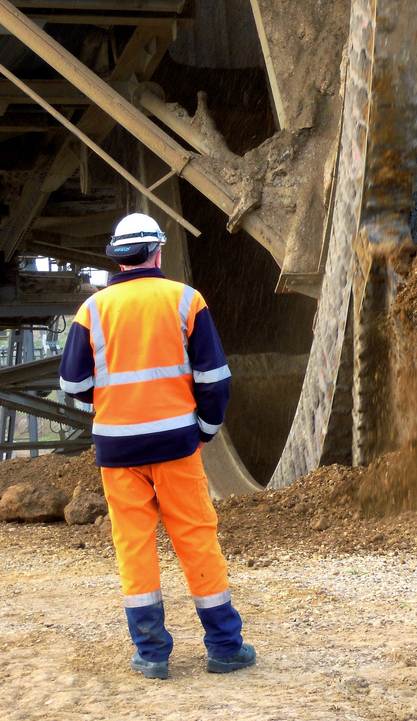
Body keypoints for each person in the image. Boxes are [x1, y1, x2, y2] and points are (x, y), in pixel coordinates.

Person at [59, 213, 255, 680]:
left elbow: (71, 382)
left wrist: (111, 397)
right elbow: (214, 380)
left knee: (134, 547)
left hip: (117, 452)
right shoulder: (186, 300)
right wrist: (203, 431)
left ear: (118, 257)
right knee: (196, 539)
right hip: (177, 447)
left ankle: (151, 654)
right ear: (158, 252)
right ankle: (225, 648)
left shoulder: (93, 310)